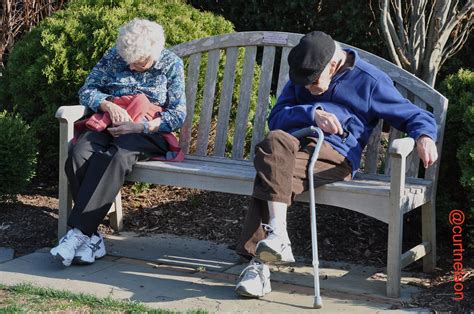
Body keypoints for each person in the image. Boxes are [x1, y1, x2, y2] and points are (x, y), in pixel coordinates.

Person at [234, 31, 438, 297]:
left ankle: (258, 265)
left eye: (313, 82)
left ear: (333, 64)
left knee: (270, 171)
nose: (307, 88)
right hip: (292, 147)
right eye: (304, 84)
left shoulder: (370, 82)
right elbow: (277, 118)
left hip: (336, 156)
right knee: (274, 143)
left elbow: (414, 115)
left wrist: (424, 136)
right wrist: (312, 113)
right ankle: (279, 237)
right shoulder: (304, 73)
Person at [50, 18, 186, 266]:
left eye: (140, 62)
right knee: (79, 153)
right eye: (128, 61)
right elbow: (87, 90)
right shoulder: (115, 56)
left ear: (154, 52)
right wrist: (107, 105)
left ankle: (79, 233)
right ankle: (93, 238)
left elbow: (178, 114)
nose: (132, 67)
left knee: (117, 155)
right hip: (110, 122)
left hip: (148, 130)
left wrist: (141, 126)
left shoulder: (171, 64)